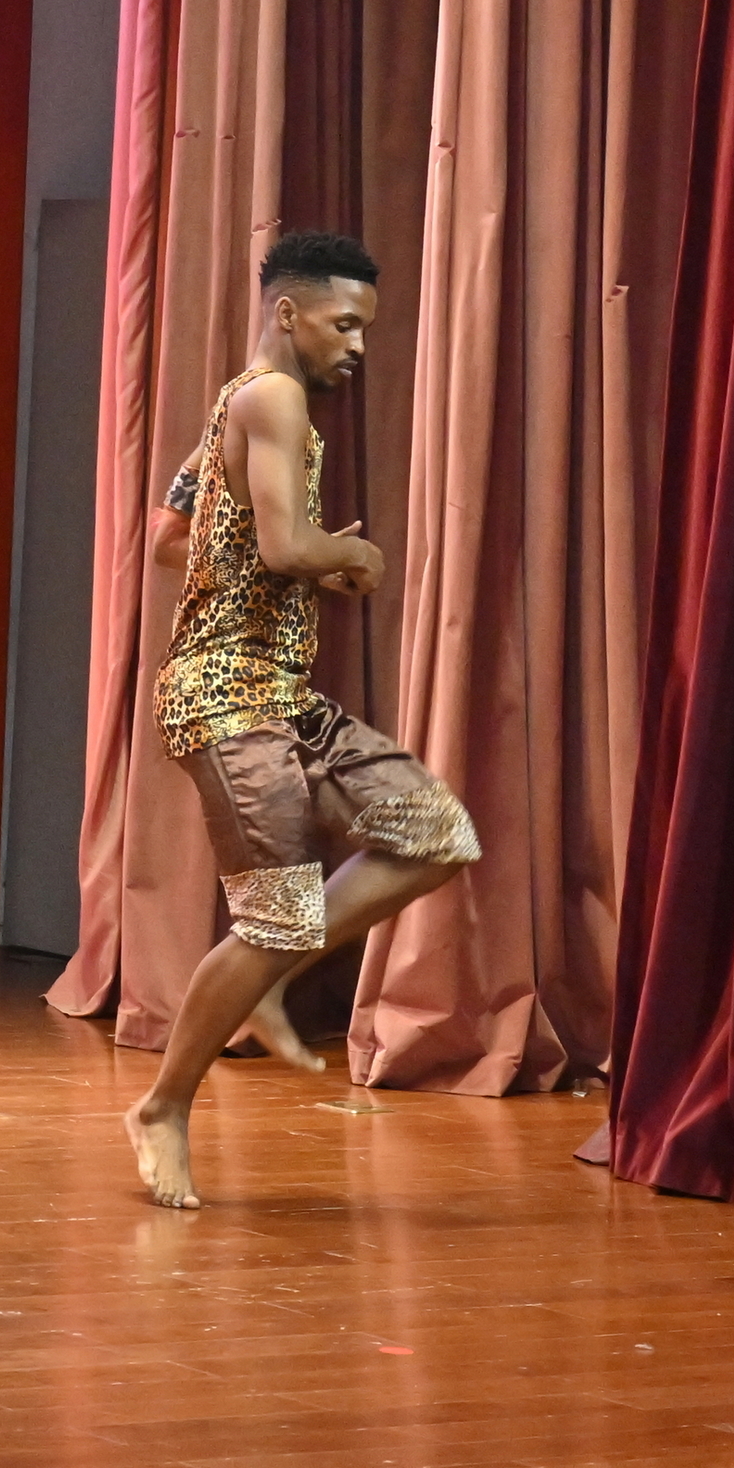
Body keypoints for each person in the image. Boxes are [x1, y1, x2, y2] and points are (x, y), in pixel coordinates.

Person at [124, 231, 479, 1211]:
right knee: (275, 916)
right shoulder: (271, 397)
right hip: (226, 695)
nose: (356, 344)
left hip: (279, 694)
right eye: (344, 323)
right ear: (287, 313)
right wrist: (343, 559)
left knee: (431, 832)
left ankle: (265, 969)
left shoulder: (236, 407)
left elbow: (168, 541)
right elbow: (279, 546)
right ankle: (160, 1105)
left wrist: (297, 553)